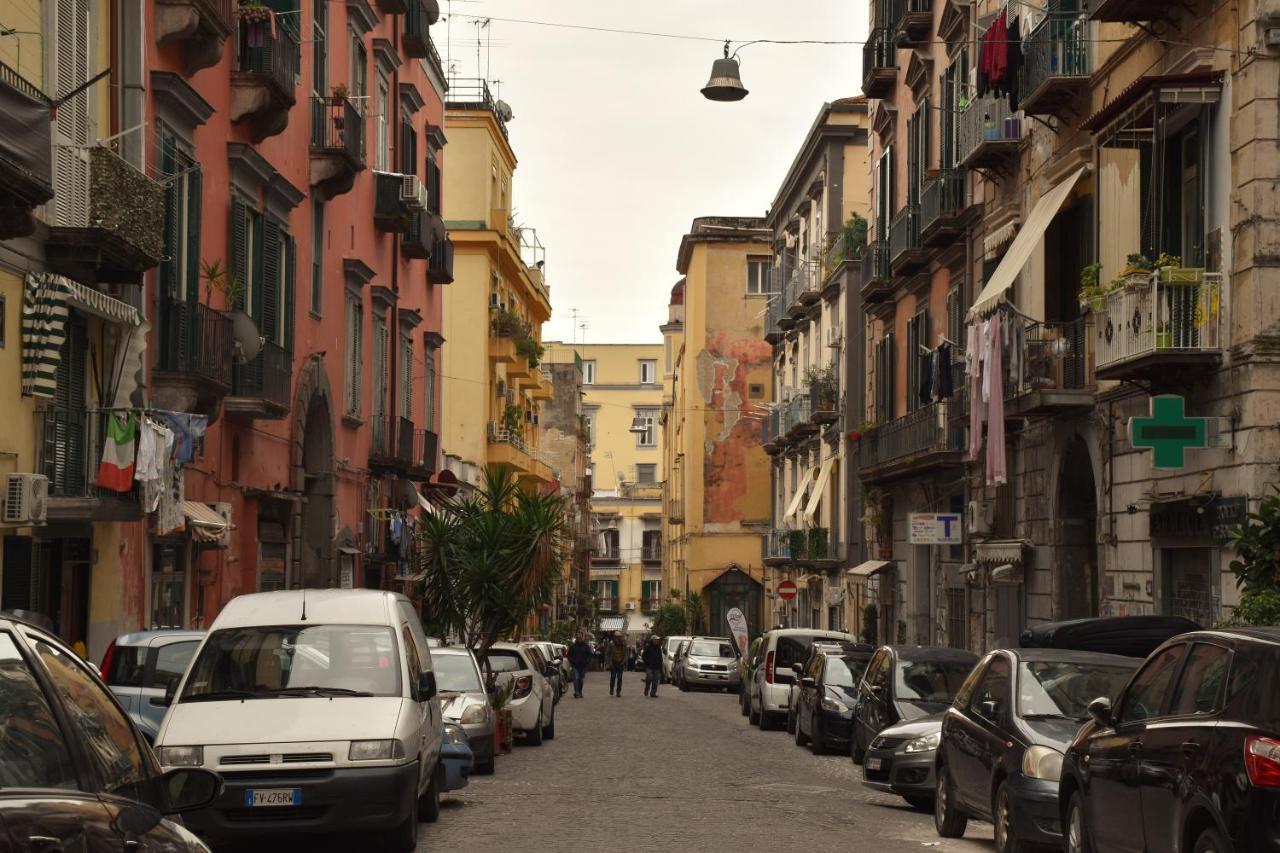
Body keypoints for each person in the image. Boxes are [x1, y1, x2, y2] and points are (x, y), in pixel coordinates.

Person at [567, 633, 591, 698]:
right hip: (575, 666)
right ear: (576, 639)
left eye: (580, 638)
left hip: (583, 666)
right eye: (578, 638)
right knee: (576, 679)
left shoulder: (586, 646)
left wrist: (587, 662)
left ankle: (580, 691)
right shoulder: (572, 647)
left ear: (582, 638)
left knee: (581, 680)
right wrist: (572, 662)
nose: (579, 639)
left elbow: (589, 655)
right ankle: (576, 692)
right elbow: (569, 655)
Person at [607, 632, 626, 696]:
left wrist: (624, 661)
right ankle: (611, 689)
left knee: (620, 678)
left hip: (620, 663)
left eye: (619, 637)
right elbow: (607, 653)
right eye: (617, 637)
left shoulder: (623, 644)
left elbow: (626, 653)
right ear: (614, 637)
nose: (618, 638)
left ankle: (618, 691)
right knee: (613, 677)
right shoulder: (611, 644)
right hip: (613, 663)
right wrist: (609, 662)